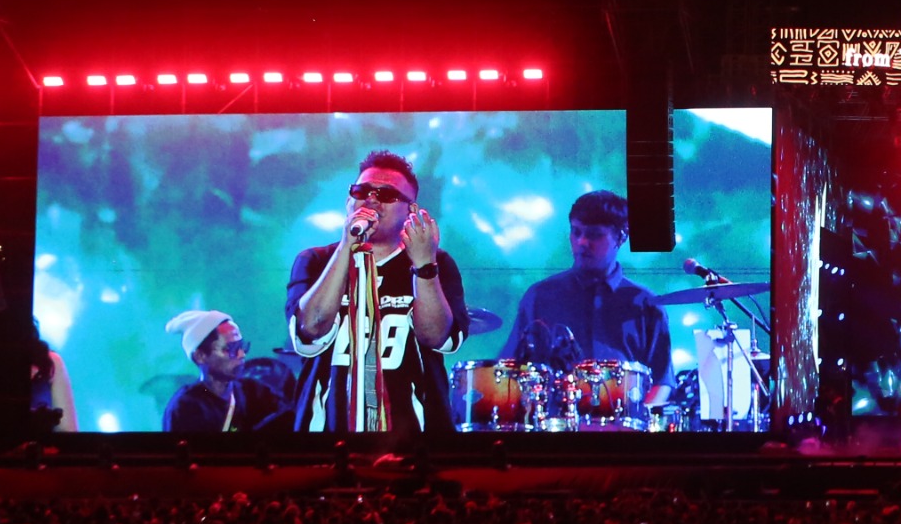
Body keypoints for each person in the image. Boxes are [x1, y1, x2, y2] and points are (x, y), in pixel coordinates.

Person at [282, 150, 467, 434]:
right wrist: (348, 246)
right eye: (362, 191)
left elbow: (435, 336)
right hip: (326, 438)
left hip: (413, 438)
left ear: (411, 211)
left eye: (386, 194)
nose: (371, 199)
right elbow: (312, 327)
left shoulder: (436, 263)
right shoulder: (315, 261)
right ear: (348, 201)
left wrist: (424, 266)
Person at [498, 191, 673, 408]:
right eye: (576, 232)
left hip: (624, 425)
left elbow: (662, 382)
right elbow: (509, 371)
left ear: (621, 237)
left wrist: (639, 417)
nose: (582, 242)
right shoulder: (540, 296)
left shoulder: (645, 304)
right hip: (553, 423)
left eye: (594, 235)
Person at [161, 309, 284, 432]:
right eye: (231, 349)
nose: (241, 354)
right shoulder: (185, 407)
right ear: (200, 356)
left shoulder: (253, 391)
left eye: (241, 346)